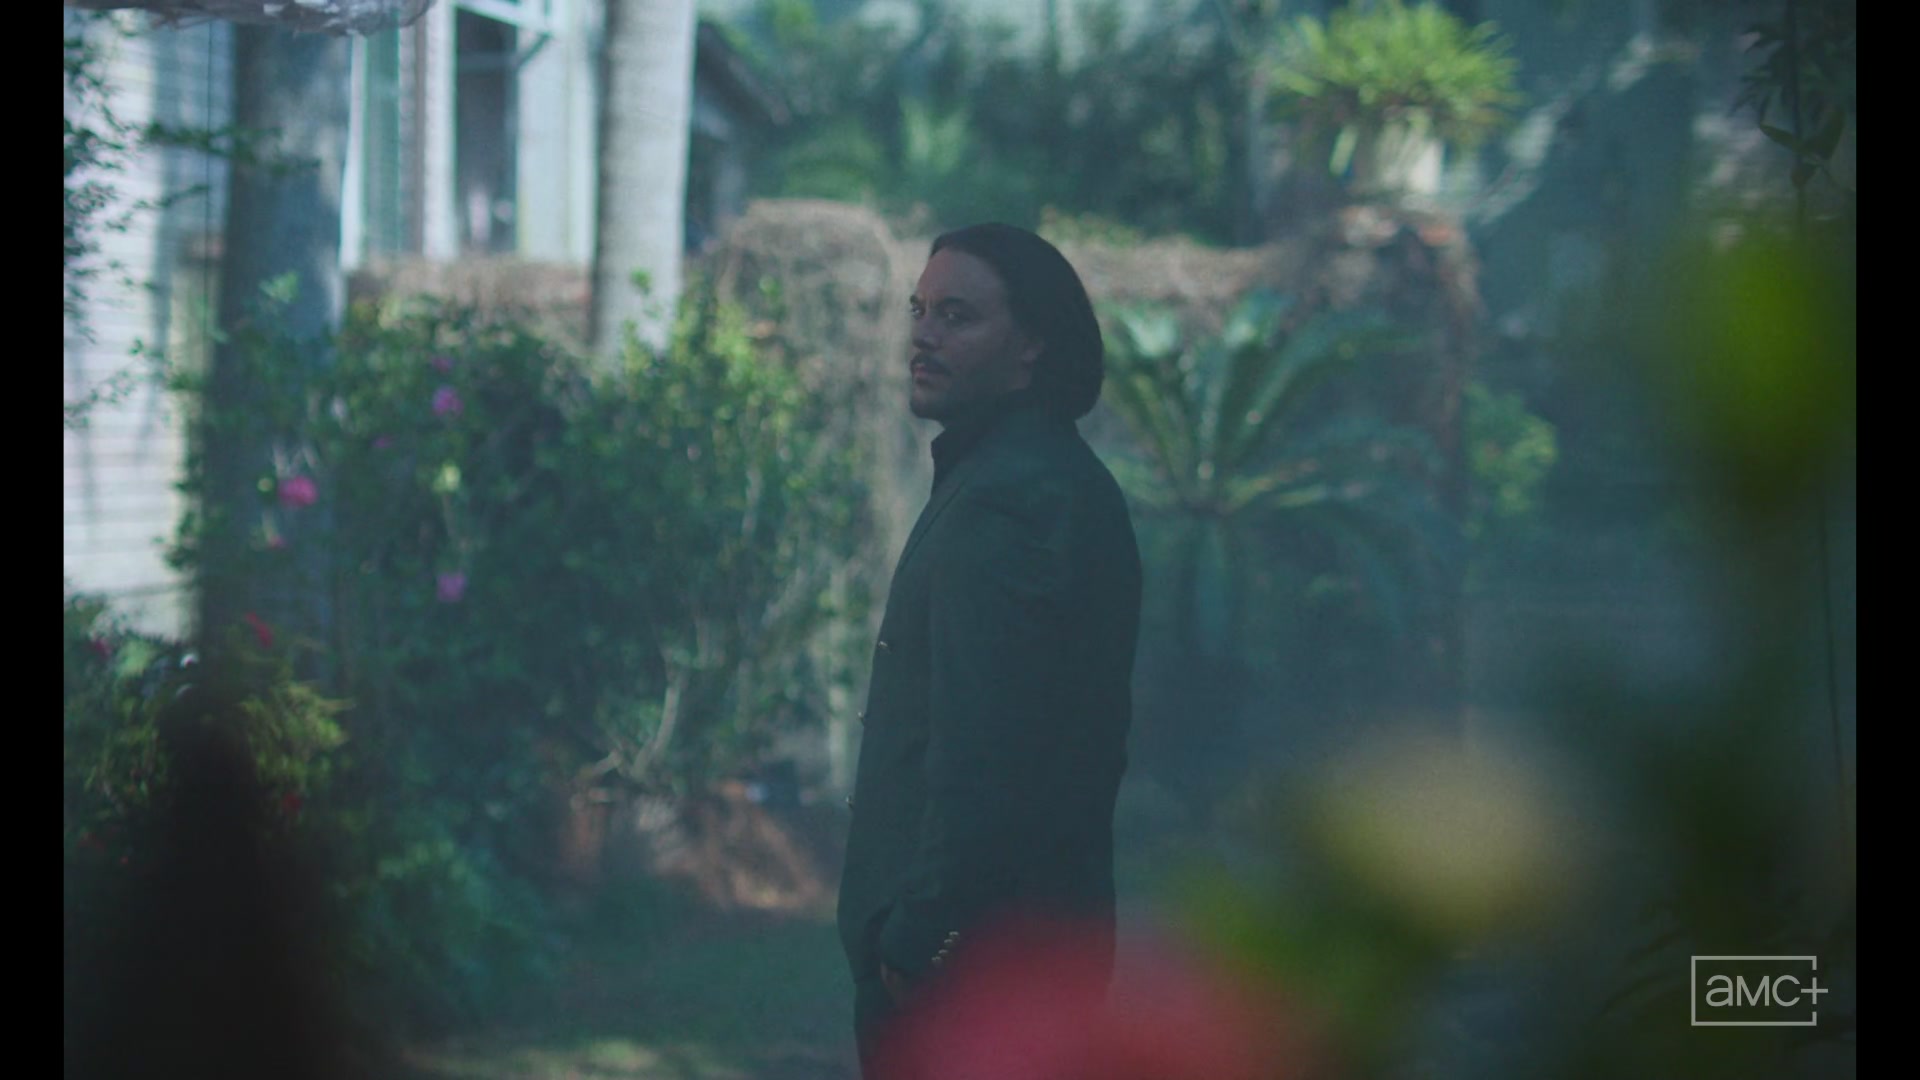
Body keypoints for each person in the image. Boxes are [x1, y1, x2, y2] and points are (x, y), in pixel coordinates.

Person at [836, 223, 1143, 1077]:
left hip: (975, 974)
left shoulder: (1012, 499)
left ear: (1032, 344)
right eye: (919, 311)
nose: (923, 336)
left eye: (958, 316)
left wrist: (920, 941)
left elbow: (989, 752)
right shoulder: (1033, 477)